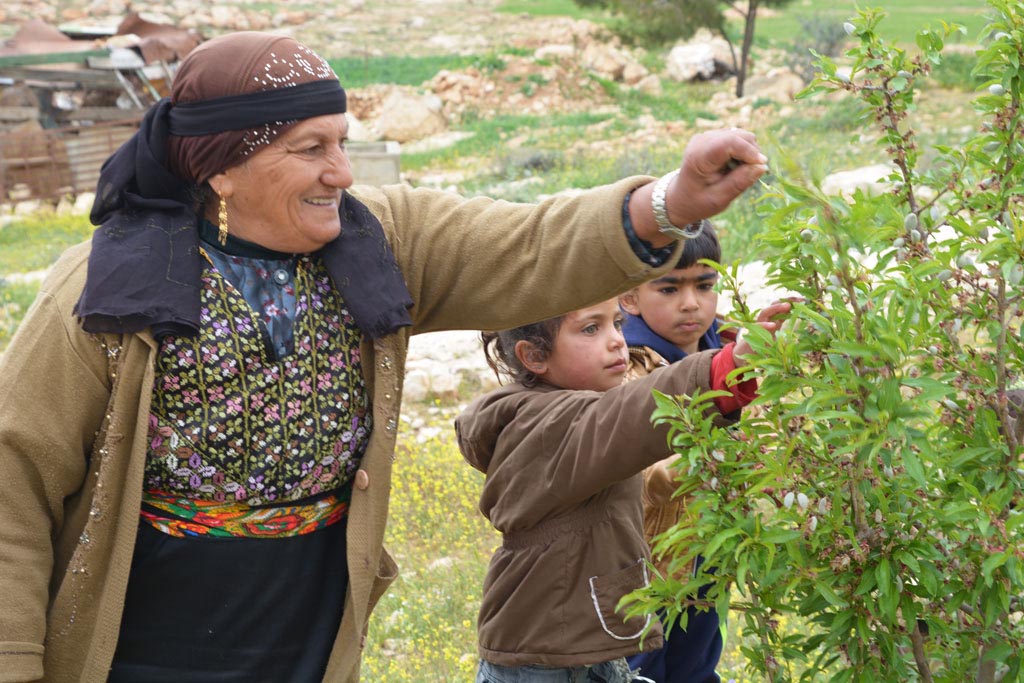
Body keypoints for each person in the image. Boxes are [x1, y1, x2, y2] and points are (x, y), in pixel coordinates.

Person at [0, 29, 768, 683]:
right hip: (149, 636)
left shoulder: (377, 244)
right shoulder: (108, 285)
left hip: (307, 626)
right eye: (311, 149)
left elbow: (523, 245)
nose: (341, 171)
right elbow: (14, 478)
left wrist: (669, 204)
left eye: (342, 141)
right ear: (220, 166)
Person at [456, 295, 789, 683]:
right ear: (533, 356)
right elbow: (634, 414)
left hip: (581, 645)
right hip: (542, 664)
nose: (617, 340)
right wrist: (726, 368)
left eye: (616, 323)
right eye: (591, 328)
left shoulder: (566, 410)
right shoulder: (548, 426)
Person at [619, 220, 733, 683]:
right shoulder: (626, 364)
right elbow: (632, 465)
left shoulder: (729, 345)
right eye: (668, 288)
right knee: (642, 668)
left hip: (713, 546)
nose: (691, 303)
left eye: (705, 286)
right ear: (628, 297)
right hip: (645, 562)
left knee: (698, 664)